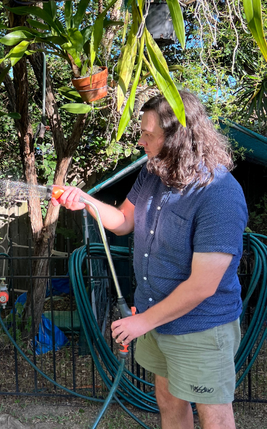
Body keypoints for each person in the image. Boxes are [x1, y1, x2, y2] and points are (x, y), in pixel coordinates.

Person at [52, 91, 248, 429]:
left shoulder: (220, 195)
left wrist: (141, 322)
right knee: (169, 400)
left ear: (177, 138)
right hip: (156, 319)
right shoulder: (153, 173)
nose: (140, 142)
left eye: (148, 134)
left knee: (213, 416)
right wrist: (85, 201)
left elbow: (202, 285)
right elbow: (124, 221)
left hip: (200, 327)